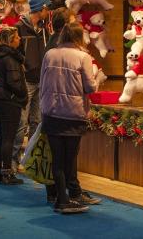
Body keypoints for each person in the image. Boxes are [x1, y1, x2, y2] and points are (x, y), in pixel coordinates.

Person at [39, 22, 99, 214]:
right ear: (79, 37)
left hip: (51, 111)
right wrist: (98, 78)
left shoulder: (50, 54)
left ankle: (62, 198)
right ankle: (68, 199)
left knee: (57, 159)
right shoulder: (83, 57)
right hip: (73, 113)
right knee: (70, 158)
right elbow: (90, 87)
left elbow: (42, 82)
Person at [12, 0, 51, 169]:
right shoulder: (19, 27)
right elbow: (14, 51)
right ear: (40, 9)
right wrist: (24, 66)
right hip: (26, 81)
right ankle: (13, 161)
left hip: (41, 80)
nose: (48, 11)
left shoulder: (44, 29)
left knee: (36, 121)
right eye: (46, 8)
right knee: (21, 122)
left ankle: (30, 161)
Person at [0, 26, 27, 185]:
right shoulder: (10, 58)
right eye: (16, 37)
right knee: (8, 138)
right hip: (9, 101)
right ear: (10, 41)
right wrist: (22, 96)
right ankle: (7, 173)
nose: (19, 39)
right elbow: (14, 82)